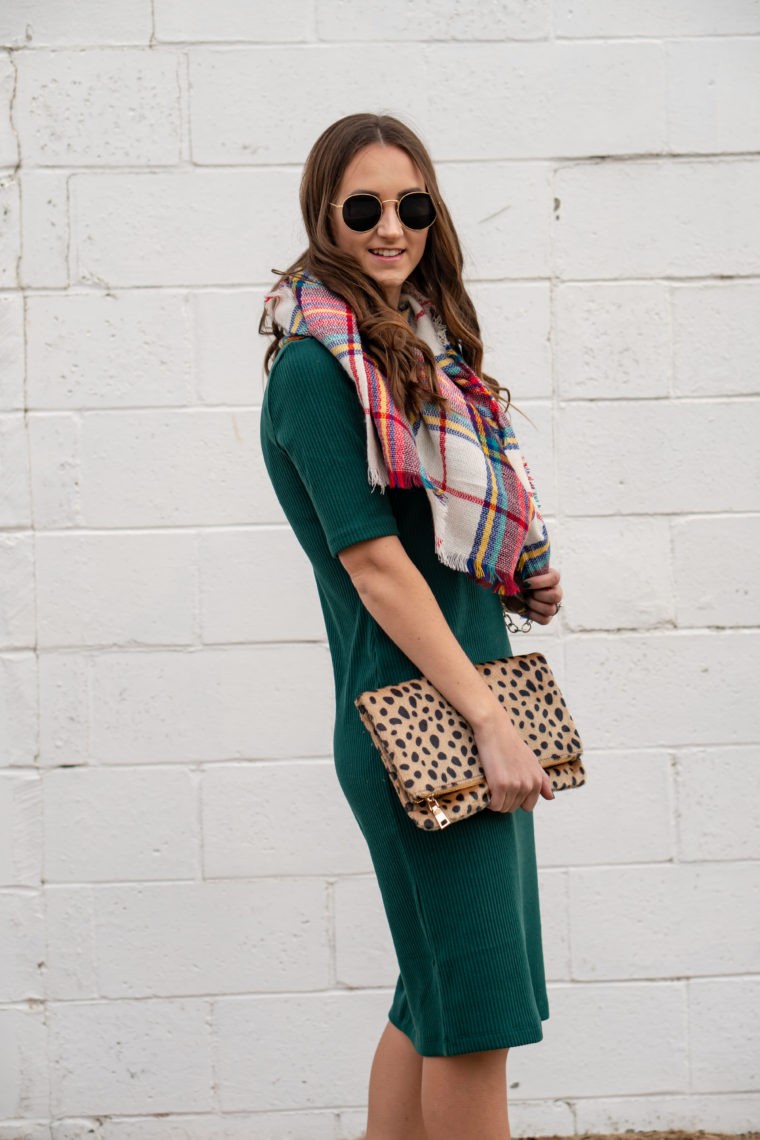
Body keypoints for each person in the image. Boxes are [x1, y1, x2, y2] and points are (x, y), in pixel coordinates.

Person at [259, 113, 563, 1140]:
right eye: (364, 209)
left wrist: (515, 573)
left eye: (411, 206)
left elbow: (430, 541)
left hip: (459, 704)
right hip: (421, 727)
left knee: (432, 1001)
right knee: (473, 1019)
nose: (391, 228)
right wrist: (487, 718)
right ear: (323, 218)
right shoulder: (315, 368)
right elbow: (374, 563)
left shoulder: (417, 354)